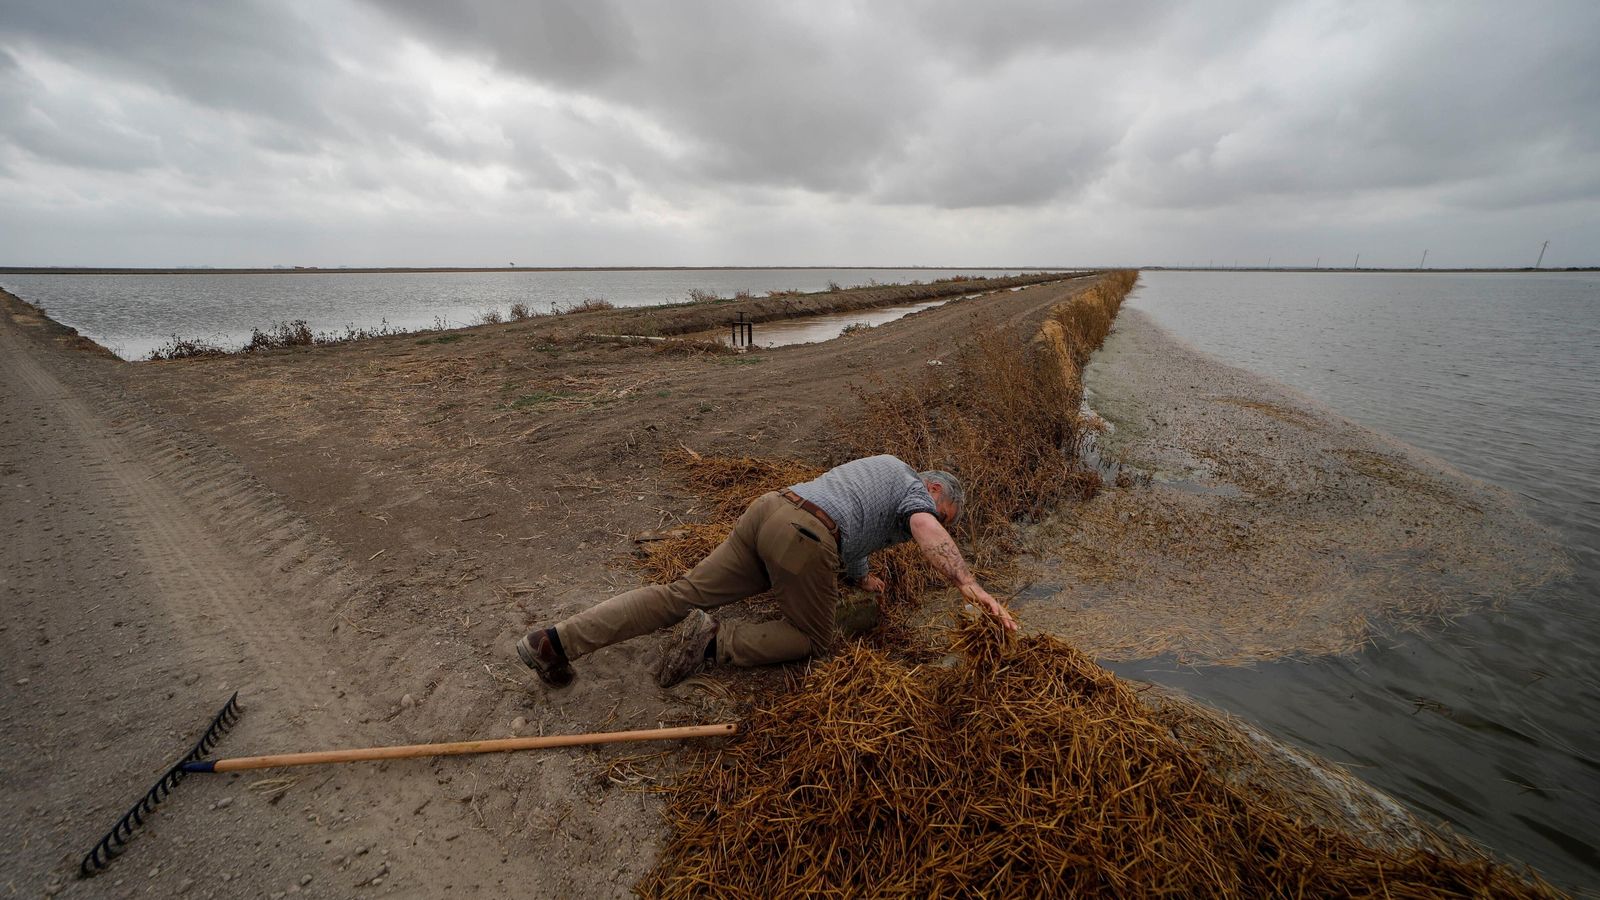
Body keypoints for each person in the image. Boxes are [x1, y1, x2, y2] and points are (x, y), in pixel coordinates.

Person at [517, 454, 1017, 688]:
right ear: (933, 492)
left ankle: (552, 641)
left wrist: (860, 575)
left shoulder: (882, 470)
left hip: (769, 511)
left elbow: (854, 522)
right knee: (813, 639)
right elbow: (923, 528)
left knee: (679, 593)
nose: (922, 530)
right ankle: (715, 642)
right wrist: (967, 583)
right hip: (804, 537)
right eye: (943, 515)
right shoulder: (914, 494)